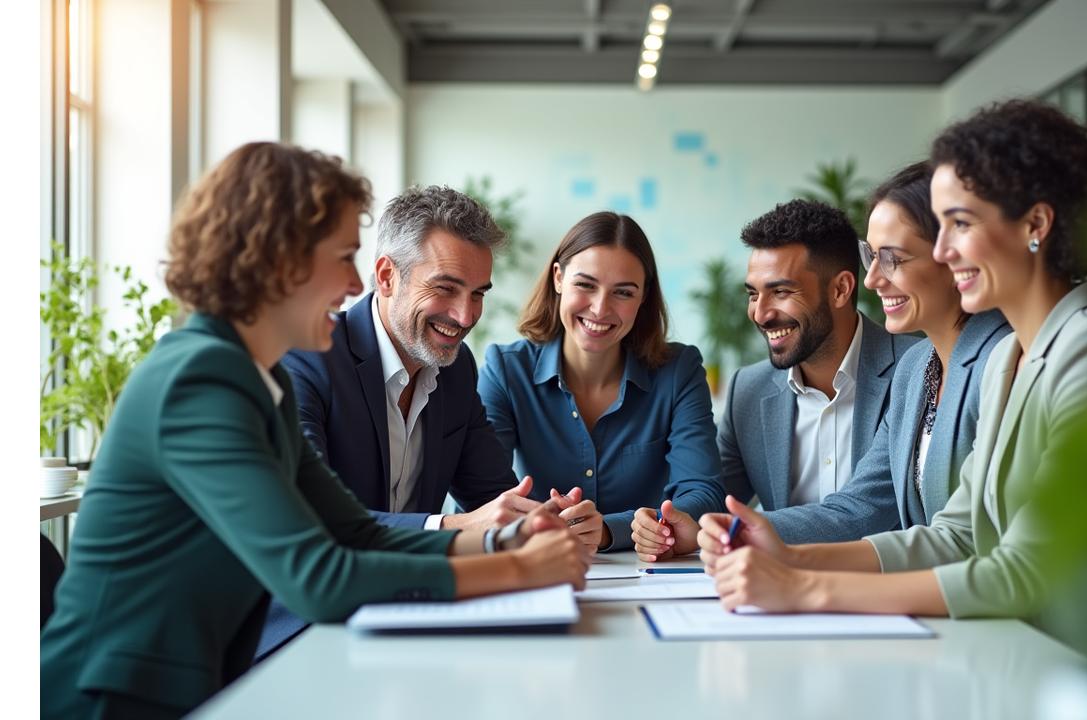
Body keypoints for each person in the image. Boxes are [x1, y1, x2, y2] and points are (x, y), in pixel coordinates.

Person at [40, 143, 589, 719]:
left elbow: (353, 531)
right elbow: (317, 575)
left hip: (186, 687)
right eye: (343, 256)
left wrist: (501, 539)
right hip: (109, 698)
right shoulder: (199, 379)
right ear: (277, 258)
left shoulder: (258, 374)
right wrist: (517, 569)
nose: (355, 283)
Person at [697, 99, 1087, 618]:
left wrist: (806, 588)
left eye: (959, 224)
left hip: (1083, 659)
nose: (943, 251)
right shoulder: (1010, 356)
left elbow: (1028, 571)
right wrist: (790, 555)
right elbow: (956, 536)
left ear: (1035, 225)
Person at [258, 185, 604, 658]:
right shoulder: (308, 359)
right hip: (304, 632)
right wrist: (450, 527)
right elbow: (315, 524)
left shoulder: (456, 368)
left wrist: (542, 520)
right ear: (386, 276)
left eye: (478, 294)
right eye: (445, 288)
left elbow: (492, 498)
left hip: (408, 619)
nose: (465, 316)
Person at [639, 200, 919, 561]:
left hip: (889, 595)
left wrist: (737, 529)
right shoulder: (749, 390)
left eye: (782, 292)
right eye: (753, 294)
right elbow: (713, 492)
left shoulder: (914, 370)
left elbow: (869, 512)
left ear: (840, 290)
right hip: (777, 596)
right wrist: (670, 524)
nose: (760, 313)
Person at [759, 162, 1010, 542]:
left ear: (953, 256)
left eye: (892, 258)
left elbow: (968, 543)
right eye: (871, 255)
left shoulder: (1003, 360)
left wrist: (805, 578)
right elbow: (859, 508)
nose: (873, 279)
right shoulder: (915, 368)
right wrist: (734, 529)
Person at [477, 211, 725, 555]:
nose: (599, 308)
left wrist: (610, 530)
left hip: (649, 578)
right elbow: (483, 496)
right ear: (558, 278)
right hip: (535, 564)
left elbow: (704, 494)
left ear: (643, 298)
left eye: (623, 292)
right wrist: (539, 521)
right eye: (585, 284)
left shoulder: (679, 371)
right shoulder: (505, 370)